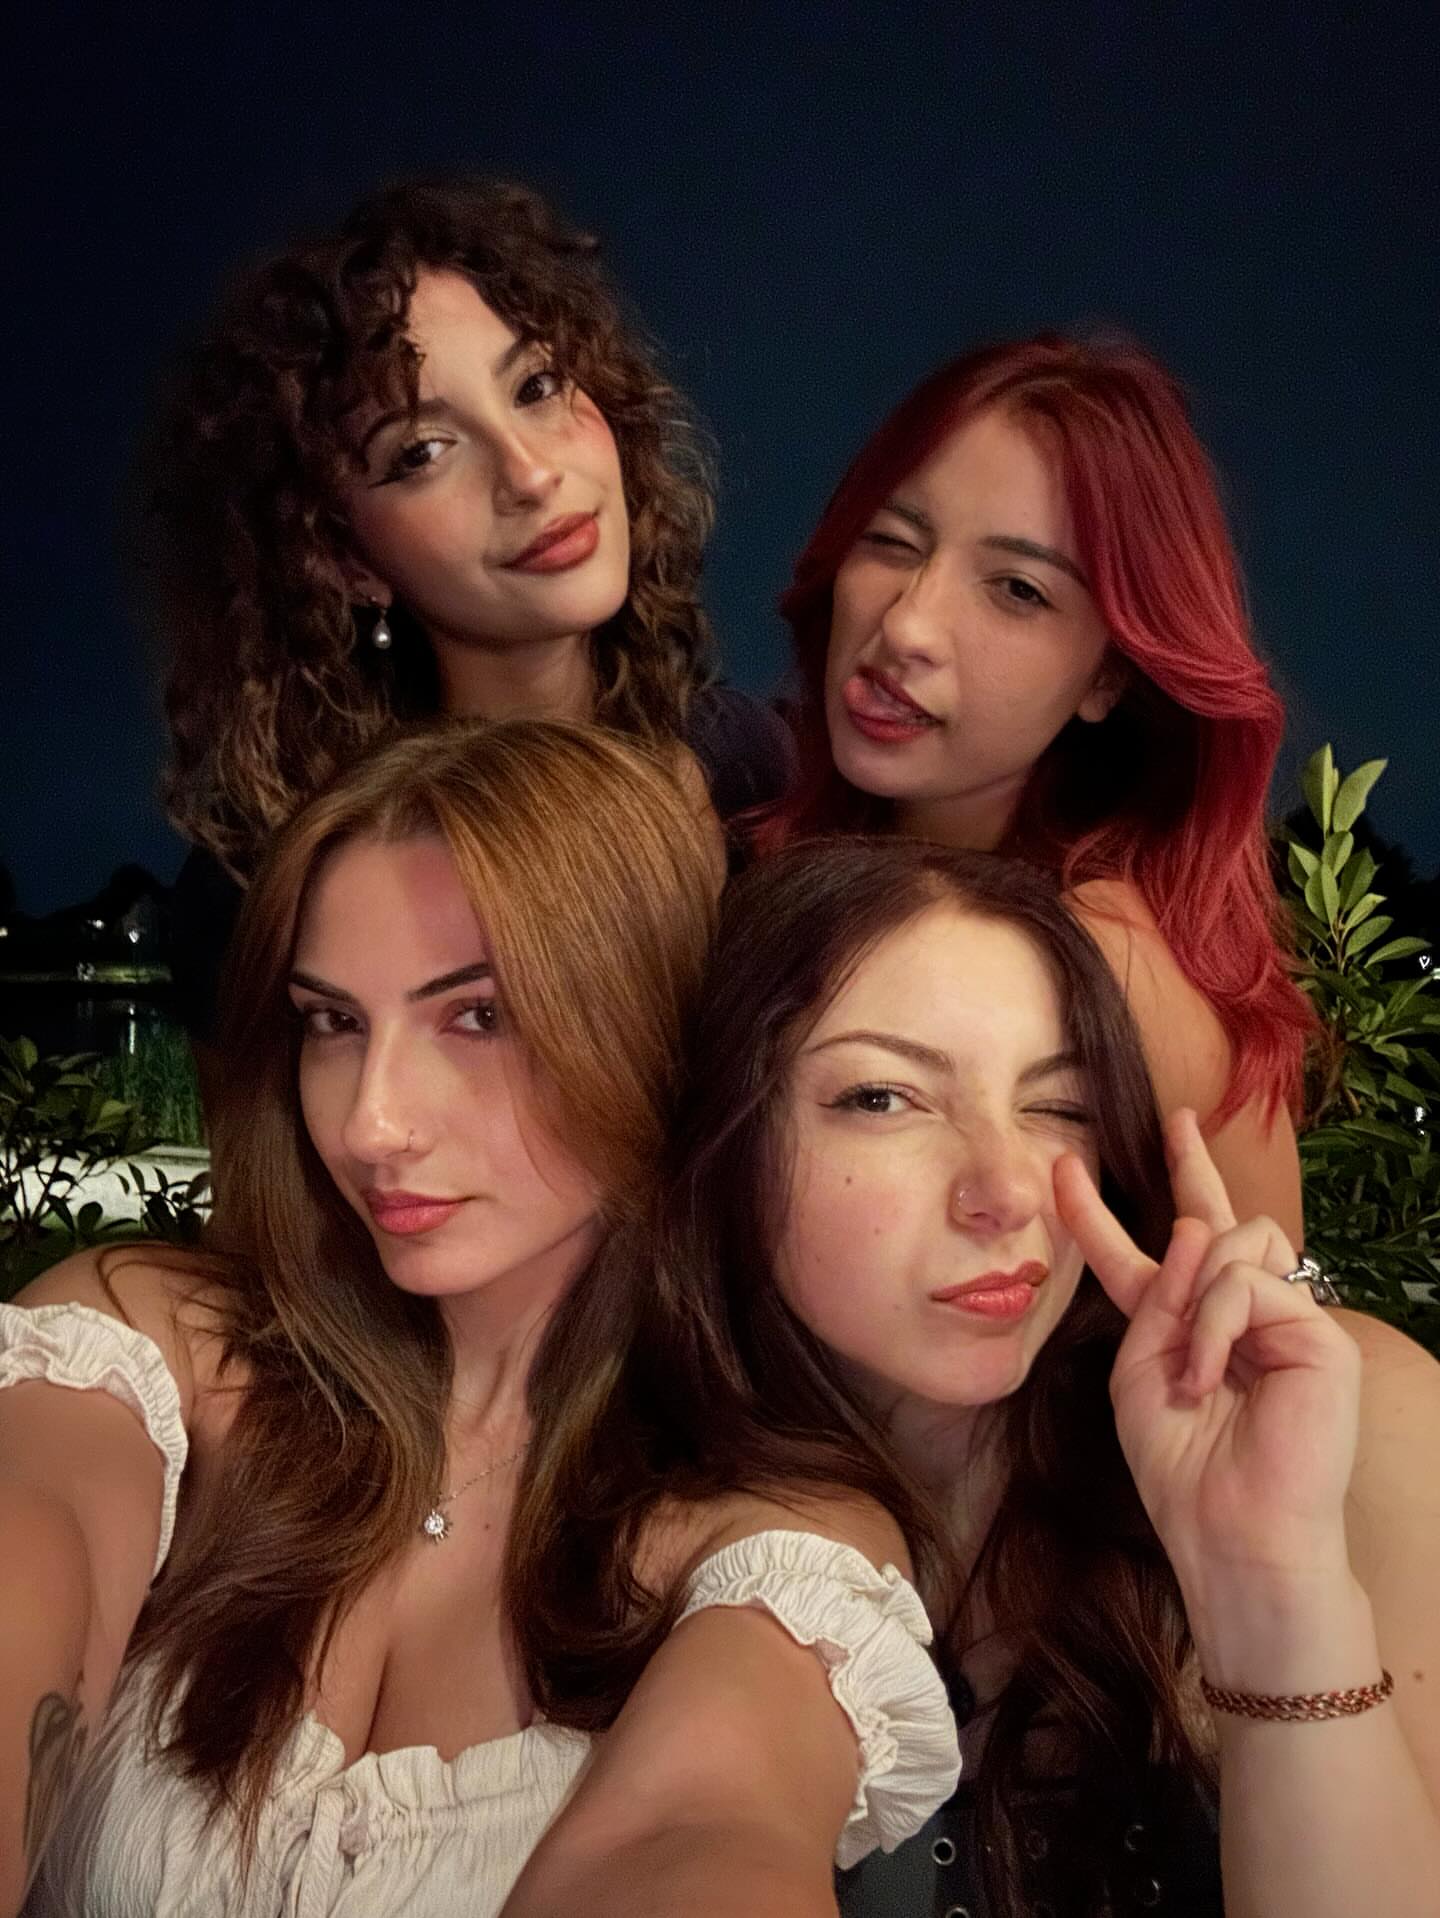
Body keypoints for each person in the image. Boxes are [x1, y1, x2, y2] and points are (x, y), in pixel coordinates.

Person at [0, 725, 958, 1918]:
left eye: (478, 1017)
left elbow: (705, 1828)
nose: (371, 1123)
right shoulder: (150, 1345)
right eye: (333, 1022)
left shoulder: (767, 1539)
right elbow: (30, 1551)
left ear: (647, 1024)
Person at [655, 835, 1440, 1917]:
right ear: (728, 1140)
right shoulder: (630, 1520)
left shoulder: (1339, 1420)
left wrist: (1269, 1581)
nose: (1009, 1189)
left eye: (1059, 1106)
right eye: (884, 1098)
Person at [148, 174, 792, 1043]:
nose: (529, 473)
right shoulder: (268, 878)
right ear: (344, 559)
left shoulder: (748, 772)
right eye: (422, 451)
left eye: (537, 386)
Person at [759, 336, 1314, 1241]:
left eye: (1017, 590)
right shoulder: (764, 864)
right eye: (891, 542)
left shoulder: (1113, 961)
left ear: (1109, 676)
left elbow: (1281, 1299)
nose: (907, 626)